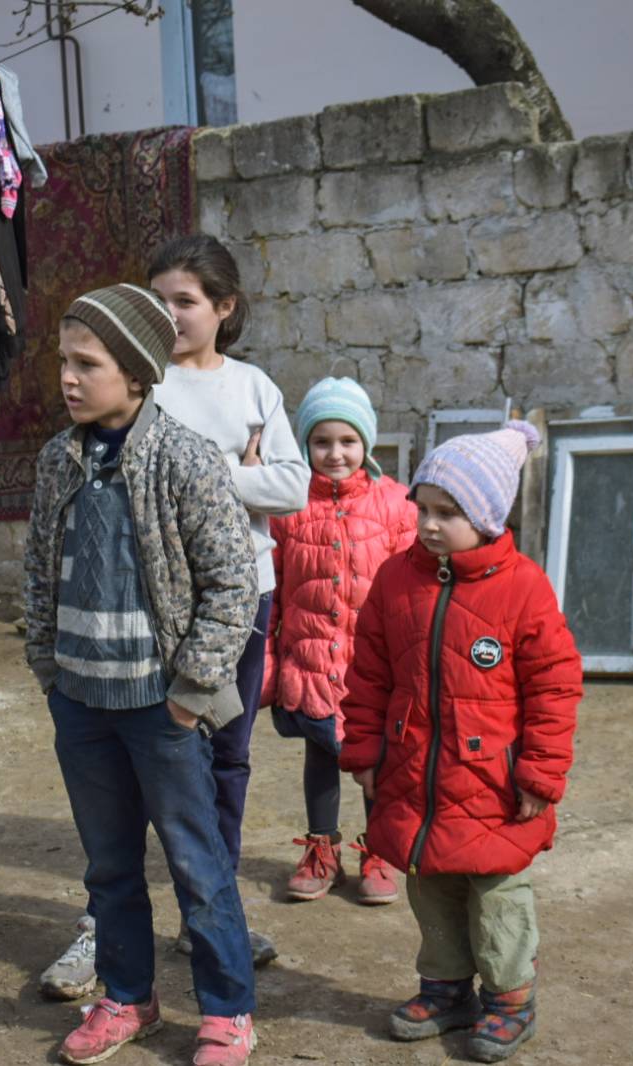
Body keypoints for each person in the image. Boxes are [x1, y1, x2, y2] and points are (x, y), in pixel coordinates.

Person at [41, 235, 306, 998]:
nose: (170, 314)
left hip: (237, 600)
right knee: (120, 784)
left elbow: (291, 487)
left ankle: (209, 914)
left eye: (184, 301)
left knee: (222, 757)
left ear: (224, 308)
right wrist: (235, 469)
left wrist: (214, 475)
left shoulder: (251, 387)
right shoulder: (135, 382)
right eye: (157, 299)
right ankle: (102, 932)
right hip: (139, 613)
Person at [24, 283, 261, 1066]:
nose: (68, 378)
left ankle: (227, 1009)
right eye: (64, 362)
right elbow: (37, 571)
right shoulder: (57, 461)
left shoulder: (184, 459)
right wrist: (48, 667)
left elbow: (232, 583)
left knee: (197, 862)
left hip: (163, 710)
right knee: (109, 866)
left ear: (135, 373)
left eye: (86, 364)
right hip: (81, 705)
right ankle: (128, 997)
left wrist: (191, 694)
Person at [339, 422, 582, 1063]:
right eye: (422, 508)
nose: (429, 524)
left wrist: (539, 774)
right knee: (429, 882)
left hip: (494, 783)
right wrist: (364, 750)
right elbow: (368, 674)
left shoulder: (524, 587)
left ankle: (510, 999)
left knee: (497, 895)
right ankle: (446, 990)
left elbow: (555, 688)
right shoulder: (396, 581)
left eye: (448, 513)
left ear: (488, 517)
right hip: (414, 774)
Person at [262, 378, 417, 906]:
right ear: (305, 444)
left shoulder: (397, 505)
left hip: (374, 668)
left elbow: (413, 592)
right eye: (321, 441)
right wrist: (269, 662)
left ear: (365, 443)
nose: (335, 453)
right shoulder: (288, 507)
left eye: (348, 441)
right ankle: (322, 849)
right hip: (310, 661)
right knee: (321, 756)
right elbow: (272, 591)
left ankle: (379, 851)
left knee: (379, 760)